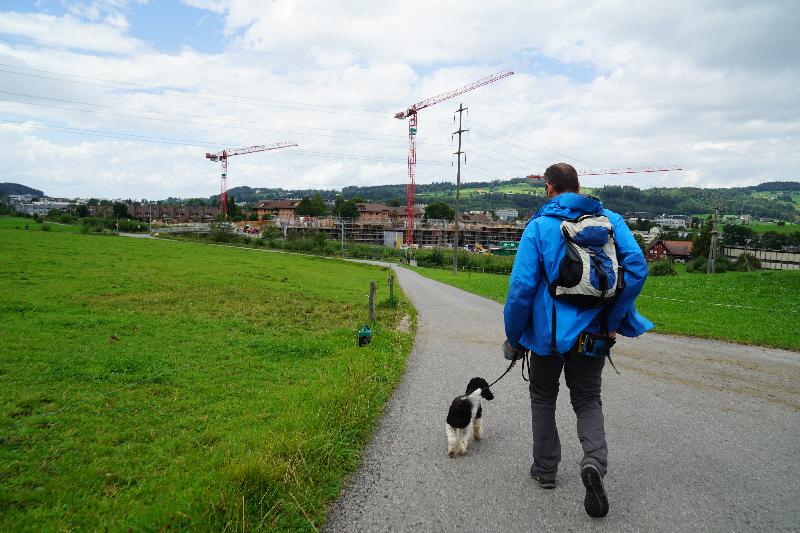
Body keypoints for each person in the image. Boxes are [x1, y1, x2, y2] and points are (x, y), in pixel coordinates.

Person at [503, 163, 652, 518]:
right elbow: (637, 269)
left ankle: (545, 470)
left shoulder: (539, 226)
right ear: (578, 186)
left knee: (543, 397)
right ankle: (594, 463)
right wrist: (612, 321)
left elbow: (521, 288)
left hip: (547, 338)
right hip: (594, 335)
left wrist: (514, 337)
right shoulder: (610, 221)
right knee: (587, 400)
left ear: (549, 188)